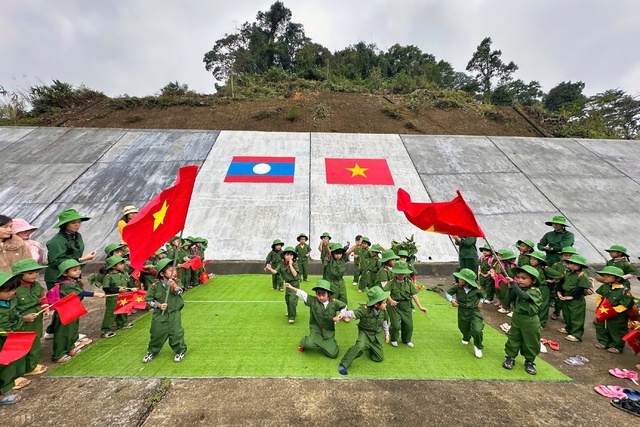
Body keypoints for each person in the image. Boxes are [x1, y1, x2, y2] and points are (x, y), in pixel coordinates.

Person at [51, 259, 105, 363]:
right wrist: (96, 294)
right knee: (63, 332)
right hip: (65, 310)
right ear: (65, 273)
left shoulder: (73, 282)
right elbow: (80, 292)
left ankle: (70, 347)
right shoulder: (66, 285)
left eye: (79, 269)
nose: (78, 271)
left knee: (72, 330)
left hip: (73, 308)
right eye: (74, 270)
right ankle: (58, 354)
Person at [338, 287, 391, 375]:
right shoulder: (364, 310)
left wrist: (386, 334)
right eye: (384, 302)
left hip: (376, 336)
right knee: (359, 347)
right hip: (365, 333)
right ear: (376, 304)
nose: (386, 304)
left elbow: (385, 322)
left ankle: (370, 347)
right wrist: (342, 314)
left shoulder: (383, 311)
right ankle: (344, 363)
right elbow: (352, 313)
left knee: (379, 358)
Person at [285, 280, 345, 358]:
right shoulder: (313, 300)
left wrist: (339, 316)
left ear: (328, 294)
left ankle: (328, 344)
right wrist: (291, 287)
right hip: (316, 332)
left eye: (324, 295)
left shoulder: (334, 303)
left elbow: (344, 307)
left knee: (333, 354)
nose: (321, 297)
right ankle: (304, 341)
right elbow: (302, 294)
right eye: (318, 294)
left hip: (328, 335)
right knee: (308, 344)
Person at [143, 258, 187, 363]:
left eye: (174, 270)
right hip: (160, 314)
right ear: (162, 273)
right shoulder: (154, 286)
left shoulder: (176, 282)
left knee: (176, 332)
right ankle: (152, 351)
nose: (174, 272)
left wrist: (175, 286)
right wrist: (158, 305)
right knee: (156, 333)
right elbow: (148, 300)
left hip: (174, 313)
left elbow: (181, 292)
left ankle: (180, 350)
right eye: (170, 270)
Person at [502, 265, 543, 375]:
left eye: (524, 278)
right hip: (517, 317)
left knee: (531, 341)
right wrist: (511, 289)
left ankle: (530, 361)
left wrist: (514, 285)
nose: (520, 280)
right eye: (518, 277)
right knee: (513, 337)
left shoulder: (535, 291)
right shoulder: (518, 289)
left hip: (530, 320)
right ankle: (510, 357)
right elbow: (508, 300)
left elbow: (524, 296)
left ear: (533, 281)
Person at [11, 259, 49, 376]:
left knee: (36, 340)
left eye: (36, 272)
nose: (35, 275)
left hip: (36, 317)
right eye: (30, 273)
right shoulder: (14, 289)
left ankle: (31, 366)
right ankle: (21, 370)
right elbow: (11, 309)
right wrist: (22, 317)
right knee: (23, 344)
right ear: (20, 275)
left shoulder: (35, 285)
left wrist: (45, 307)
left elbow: (42, 296)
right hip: (23, 321)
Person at [44, 209, 96, 290]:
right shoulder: (56, 241)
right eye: (73, 223)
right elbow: (55, 261)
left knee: (77, 298)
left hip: (73, 275)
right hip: (57, 277)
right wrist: (81, 259)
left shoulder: (77, 236)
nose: (77, 225)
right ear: (65, 224)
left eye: (79, 222)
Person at [594, 266, 636, 354]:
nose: (604, 277)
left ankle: (616, 345)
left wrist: (614, 310)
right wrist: (599, 306)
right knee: (601, 327)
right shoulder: (605, 286)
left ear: (617, 278)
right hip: (603, 311)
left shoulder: (624, 290)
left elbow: (626, 304)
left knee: (617, 330)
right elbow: (600, 297)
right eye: (604, 275)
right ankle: (603, 341)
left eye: (608, 276)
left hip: (617, 316)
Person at [386, 261, 428, 348]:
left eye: (403, 273)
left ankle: (406, 340)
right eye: (399, 273)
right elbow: (386, 292)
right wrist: (390, 300)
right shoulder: (391, 282)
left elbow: (414, 294)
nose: (401, 275)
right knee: (396, 325)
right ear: (396, 273)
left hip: (406, 305)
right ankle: (393, 338)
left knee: (409, 325)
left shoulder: (409, 283)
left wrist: (420, 307)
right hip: (394, 305)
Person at [447, 268, 484, 358]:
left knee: (477, 329)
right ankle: (466, 337)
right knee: (463, 326)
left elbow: (483, 296)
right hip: (462, 310)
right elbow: (448, 293)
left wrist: (481, 301)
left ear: (466, 281)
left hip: (474, 311)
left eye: (460, 279)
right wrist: (451, 300)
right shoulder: (457, 287)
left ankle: (478, 346)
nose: (458, 280)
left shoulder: (477, 289)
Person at [0, 272, 25, 404]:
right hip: (2, 338)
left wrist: (17, 326)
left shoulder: (11, 301)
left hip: (10, 338)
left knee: (7, 365)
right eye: (6, 291)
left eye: (13, 290)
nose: (11, 293)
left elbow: (17, 316)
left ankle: (4, 390)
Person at [557, 254, 590, 342]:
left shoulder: (581, 275)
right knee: (567, 314)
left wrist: (572, 297)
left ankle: (576, 334)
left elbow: (581, 288)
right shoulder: (567, 272)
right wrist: (559, 291)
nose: (572, 265)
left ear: (580, 266)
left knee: (576, 316)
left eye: (575, 264)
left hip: (576, 299)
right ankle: (569, 329)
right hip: (565, 295)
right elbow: (561, 282)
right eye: (570, 263)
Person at [100, 255, 134, 338]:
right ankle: (106, 329)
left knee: (123, 309)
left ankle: (122, 323)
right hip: (113, 297)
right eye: (121, 263)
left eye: (124, 263)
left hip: (123, 296)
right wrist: (118, 290)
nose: (124, 265)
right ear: (114, 266)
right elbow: (106, 288)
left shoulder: (124, 274)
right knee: (111, 313)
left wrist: (131, 288)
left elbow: (128, 284)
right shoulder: (109, 276)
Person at [266, 246, 300, 323]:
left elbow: (295, 274)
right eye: (287, 255)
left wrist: (290, 265)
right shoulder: (282, 264)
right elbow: (275, 272)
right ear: (284, 256)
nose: (289, 256)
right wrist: (270, 269)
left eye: (291, 255)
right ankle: (290, 312)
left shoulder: (294, 264)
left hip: (294, 284)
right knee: (287, 299)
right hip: (287, 284)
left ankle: (292, 317)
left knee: (292, 300)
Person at [323, 242, 356, 310]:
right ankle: (332, 313)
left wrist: (357, 245)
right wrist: (326, 245)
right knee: (333, 298)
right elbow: (329, 252)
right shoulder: (330, 259)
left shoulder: (343, 259)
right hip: (331, 282)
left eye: (340, 253)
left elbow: (349, 251)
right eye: (336, 253)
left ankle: (344, 313)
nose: (338, 255)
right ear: (333, 253)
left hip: (341, 282)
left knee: (343, 298)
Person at [549, 246, 577, 321]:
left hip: (570, 287)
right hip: (559, 285)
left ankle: (566, 317)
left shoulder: (576, 266)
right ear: (562, 256)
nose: (568, 257)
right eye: (566, 255)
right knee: (558, 301)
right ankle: (556, 312)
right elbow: (551, 273)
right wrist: (553, 280)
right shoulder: (557, 265)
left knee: (568, 303)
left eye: (570, 255)